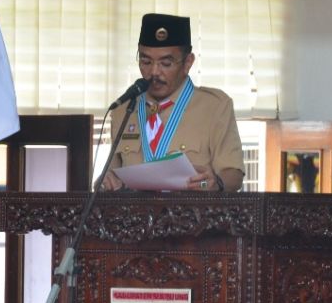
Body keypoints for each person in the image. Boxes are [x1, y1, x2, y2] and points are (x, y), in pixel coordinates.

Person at [102, 13, 244, 192]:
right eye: (145, 61)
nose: (154, 72)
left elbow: (234, 174)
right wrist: (105, 182)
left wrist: (217, 183)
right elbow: (110, 173)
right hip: (136, 217)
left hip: (192, 216)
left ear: (188, 63)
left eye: (166, 64)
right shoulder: (124, 109)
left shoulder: (215, 107)